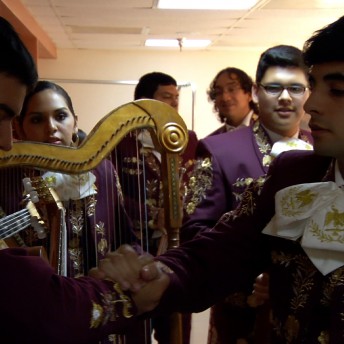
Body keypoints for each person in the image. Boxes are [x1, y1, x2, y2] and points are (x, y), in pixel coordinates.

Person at [94, 15, 344, 344]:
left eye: (338, 90)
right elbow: (219, 250)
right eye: (315, 86)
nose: (310, 105)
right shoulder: (293, 173)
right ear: (257, 92)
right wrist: (158, 275)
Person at [0, 16, 146, 343]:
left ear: (75, 120)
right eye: (37, 119)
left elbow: (124, 235)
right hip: (42, 315)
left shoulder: (102, 170)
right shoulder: (8, 178)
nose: (51, 127)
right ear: (20, 128)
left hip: (101, 310)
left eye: (60, 116)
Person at [181, 45, 313, 343]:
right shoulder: (219, 150)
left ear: (309, 93)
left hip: (310, 319)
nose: (284, 97)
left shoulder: (324, 150)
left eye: (295, 88)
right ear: (255, 92)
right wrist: (250, 277)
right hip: (242, 320)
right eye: (273, 87)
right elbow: (195, 233)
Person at [113, 71, 197, 344]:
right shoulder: (120, 141)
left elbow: (198, 187)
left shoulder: (189, 139)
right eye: (166, 98)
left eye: (176, 99)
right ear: (144, 100)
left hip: (178, 246)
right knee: (135, 322)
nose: (173, 105)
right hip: (134, 247)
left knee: (176, 325)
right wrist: (150, 215)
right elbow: (112, 193)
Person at [206, 67, 258, 136]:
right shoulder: (212, 141)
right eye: (219, 92)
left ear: (250, 94)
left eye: (231, 89)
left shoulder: (269, 131)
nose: (225, 98)